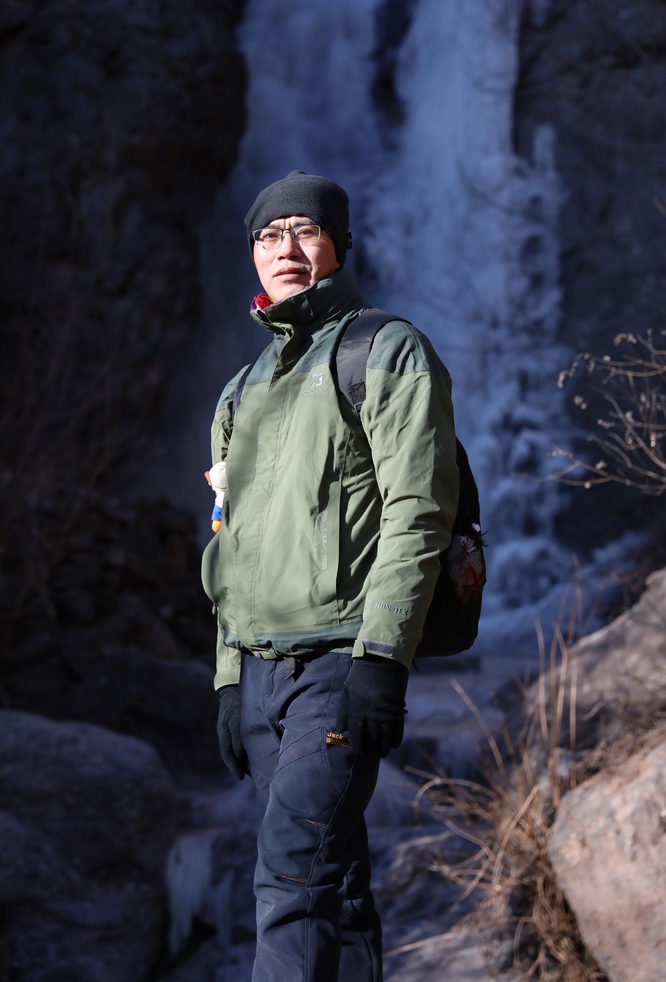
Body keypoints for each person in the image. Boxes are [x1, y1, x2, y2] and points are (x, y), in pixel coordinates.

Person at [201, 170, 459, 982]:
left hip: (340, 666)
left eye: (305, 230)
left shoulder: (385, 350)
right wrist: (228, 679)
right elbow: (229, 546)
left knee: (291, 878)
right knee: (333, 886)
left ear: (340, 245)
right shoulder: (239, 394)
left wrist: (382, 657)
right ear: (252, 254)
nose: (286, 247)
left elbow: (420, 510)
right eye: (268, 234)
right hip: (260, 678)